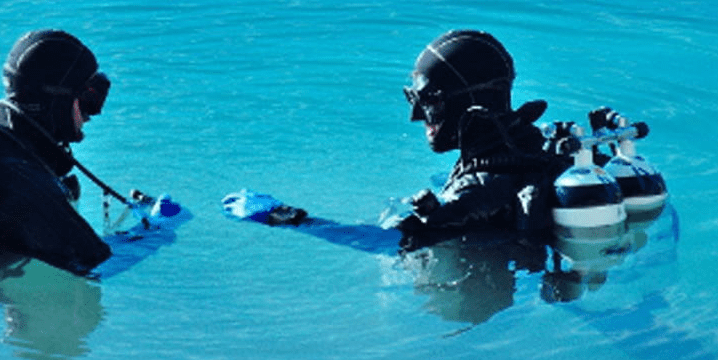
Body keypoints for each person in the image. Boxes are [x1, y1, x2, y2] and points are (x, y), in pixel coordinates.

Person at [224, 29, 570, 251]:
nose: (417, 117)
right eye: (414, 101)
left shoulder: (479, 188)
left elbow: (385, 241)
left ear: (466, 105)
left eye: (430, 103)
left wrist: (288, 218)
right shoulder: (528, 147)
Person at [0, 29, 113, 276]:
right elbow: (97, 261)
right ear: (56, 101)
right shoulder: (27, 183)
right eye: (87, 99)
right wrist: (158, 231)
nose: (92, 114)